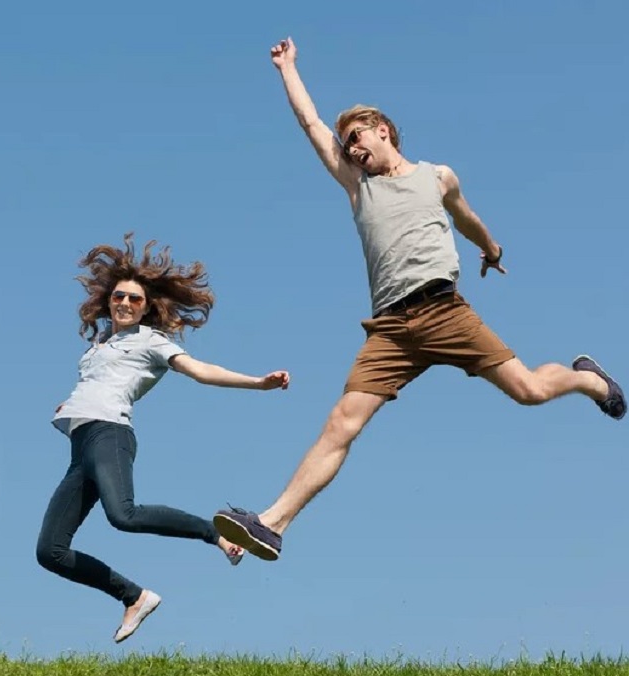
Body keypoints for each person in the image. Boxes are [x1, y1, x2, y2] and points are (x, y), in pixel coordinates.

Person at [213, 38, 625, 562]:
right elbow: (311, 125)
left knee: (529, 390)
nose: (352, 148)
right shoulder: (358, 186)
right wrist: (287, 68)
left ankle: (589, 378)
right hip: (390, 329)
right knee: (342, 422)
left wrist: (490, 247)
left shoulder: (437, 176)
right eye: (347, 145)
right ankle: (272, 523)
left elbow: (465, 215)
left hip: (446, 312)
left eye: (358, 137)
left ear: (383, 129)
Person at [36, 235, 290, 643]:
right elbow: (101, 384)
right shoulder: (99, 345)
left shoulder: (152, 342)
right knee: (49, 551)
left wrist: (258, 383)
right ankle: (133, 596)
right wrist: (69, 405)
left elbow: (200, 371)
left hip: (110, 435)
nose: (124, 304)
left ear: (145, 308)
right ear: (109, 300)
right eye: (119, 296)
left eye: (135, 300)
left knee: (124, 515)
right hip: (80, 446)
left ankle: (216, 533)